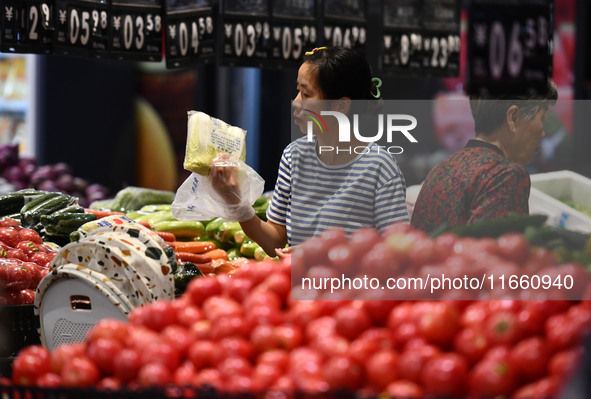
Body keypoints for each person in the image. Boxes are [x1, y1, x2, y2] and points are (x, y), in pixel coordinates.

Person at [210, 46, 409, 256]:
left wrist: (323, 254)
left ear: (341, 106)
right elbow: (274, 241)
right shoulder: (293, 156)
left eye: (306, 94)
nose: (296, 102)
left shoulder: (380, 167)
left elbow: (399, 251)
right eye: (298, 91)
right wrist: (237, 203)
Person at [410, 80, 559, 233]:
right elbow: (493, 254)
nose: (543, 133)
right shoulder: (506, 176)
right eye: (541, 118)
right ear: (513, 118)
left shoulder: (439, 170)